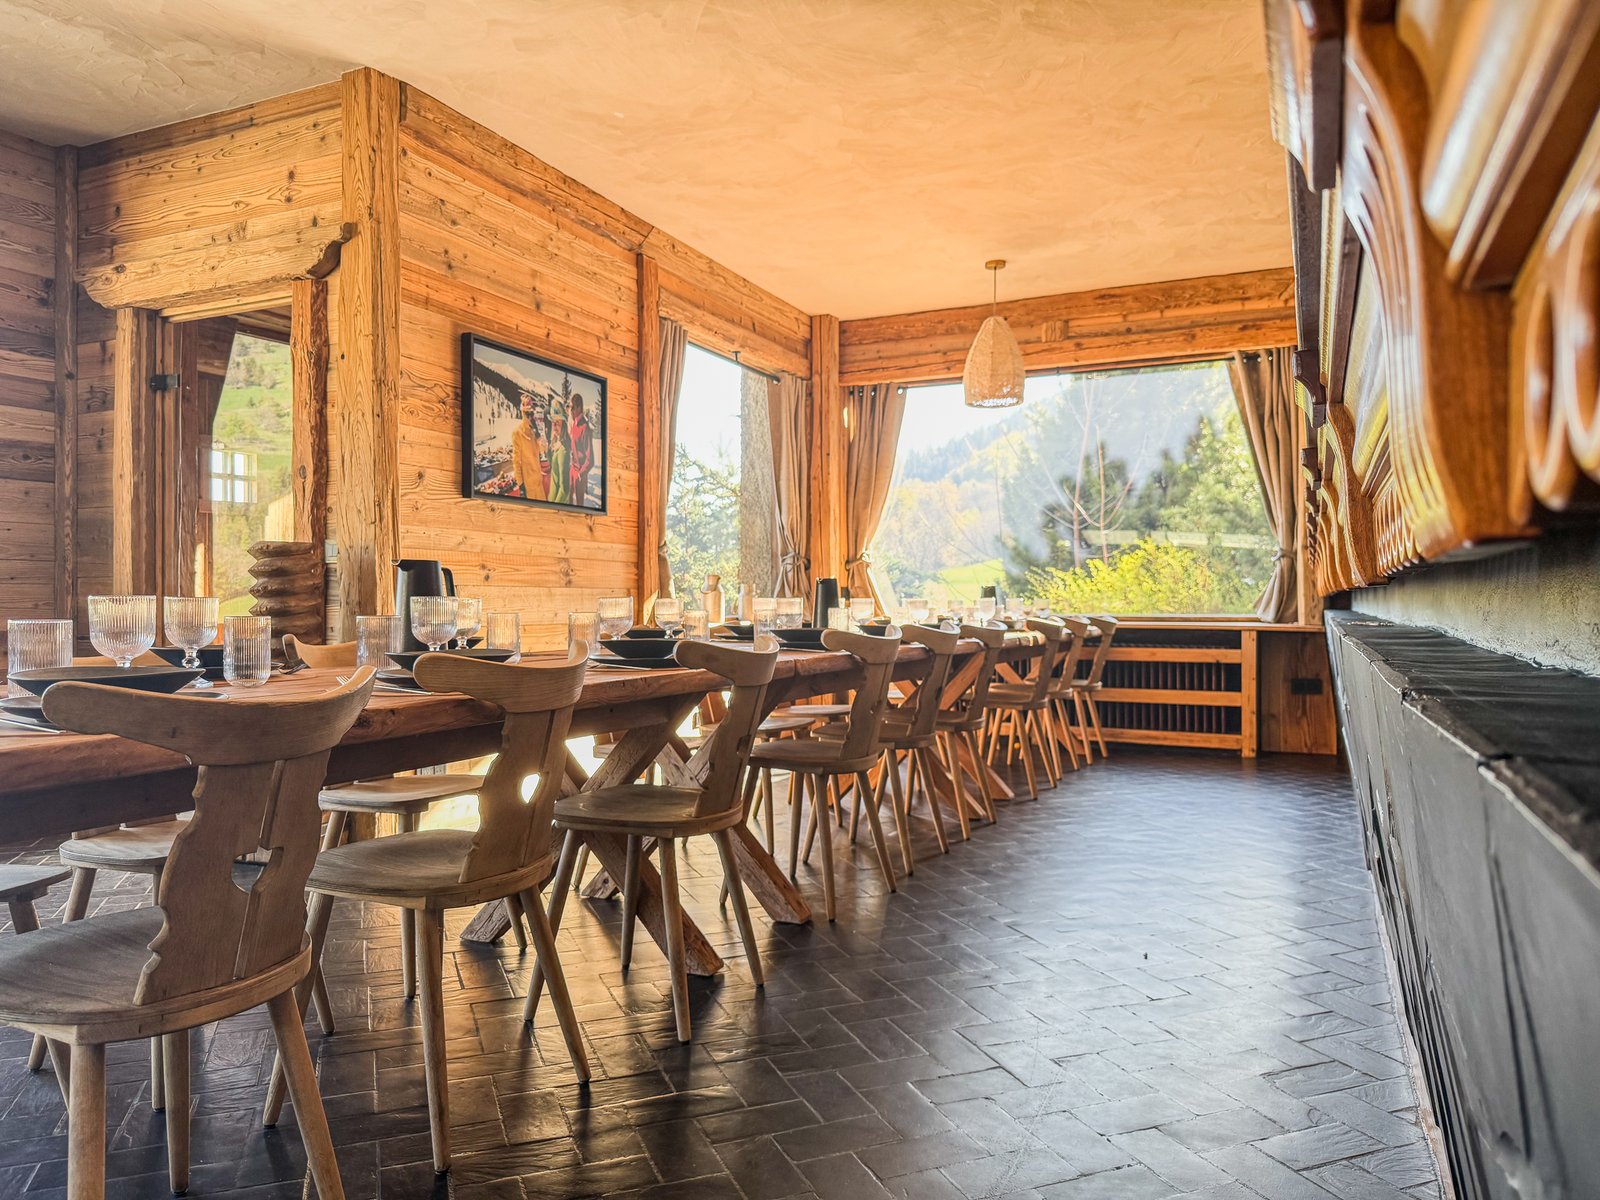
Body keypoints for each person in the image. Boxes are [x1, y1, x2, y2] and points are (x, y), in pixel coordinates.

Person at [511, 391, 550, 501]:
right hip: (529, 486)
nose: (530, 417)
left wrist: (538, 436)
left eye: (532, 414)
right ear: (522, 413)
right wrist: (521, 485)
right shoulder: (517, 432)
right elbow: (516, 462)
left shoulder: (534, 432)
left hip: (538, 481)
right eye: (527, 414)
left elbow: (543, 451)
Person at [569, 391, 594, 505]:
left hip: (580, 474)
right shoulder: (574, 423)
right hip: (572, 469)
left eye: (572, 407)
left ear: (579, 407)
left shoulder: (585, 428)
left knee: (579, 505)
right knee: (567, 502)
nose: (571, 410)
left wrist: (581, 473)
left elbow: (591, 460)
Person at [547, 399, 572, 505]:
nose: (554, 426)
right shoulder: (557, 442)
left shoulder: (563, 451)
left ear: (564, 425)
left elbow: (565, 489)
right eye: (553, 423)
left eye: (557, 423)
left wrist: (554, 509)